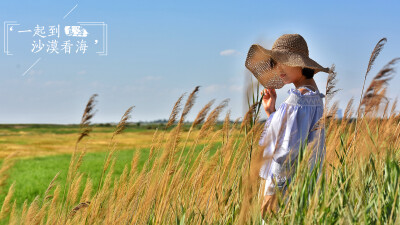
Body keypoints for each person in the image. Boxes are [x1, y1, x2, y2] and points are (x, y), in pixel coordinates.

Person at [244, 34, 332, 219]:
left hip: (285, 193)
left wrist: (272, 193)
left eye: (284, 61)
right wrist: (273, 113)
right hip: (305, 189)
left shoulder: (297, 101)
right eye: (275, 63)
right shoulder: (313, 97)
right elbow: (295, 138)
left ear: (301, 63)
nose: (278, 68)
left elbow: (286, 153)